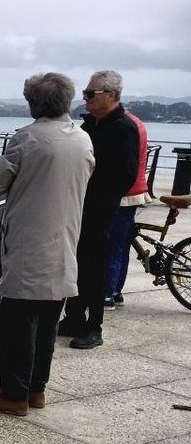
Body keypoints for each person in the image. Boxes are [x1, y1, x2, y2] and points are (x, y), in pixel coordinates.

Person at [0, 73, 94, 417]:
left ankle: (13, 394)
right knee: (47, 325)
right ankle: (37, 389)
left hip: (29, 241)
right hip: (65, 240)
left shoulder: (28, 138)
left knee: (14, 325)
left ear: (33, 103)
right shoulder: (83, 139)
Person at [58, 71, 145, 348]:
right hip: (76, 205)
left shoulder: (123, 128)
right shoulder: (88, 126)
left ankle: (94, 326)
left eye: (90, 93)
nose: (85, 98)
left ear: (111, 95)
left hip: (99, 209)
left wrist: (100, 199)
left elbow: (127, 174)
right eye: (85, 93)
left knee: (93, 266)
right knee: (73, 263)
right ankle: (72, 317)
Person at [103, 102, 150, 310]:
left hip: (123, 195)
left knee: (111, 246)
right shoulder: (136, 123)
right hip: (136, 192)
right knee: (122, 245)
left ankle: (107, 293)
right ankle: (116, 289)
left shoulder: (122, 125)